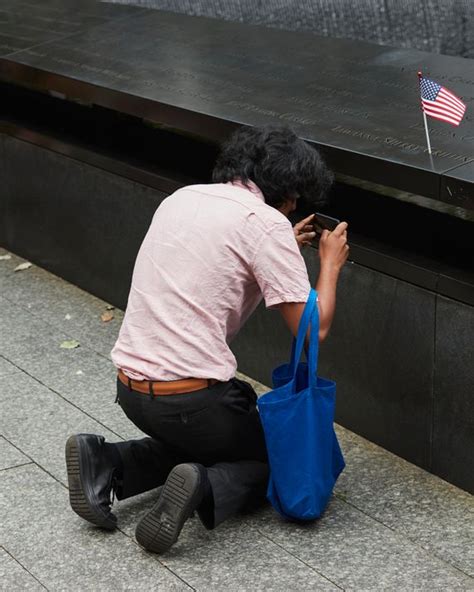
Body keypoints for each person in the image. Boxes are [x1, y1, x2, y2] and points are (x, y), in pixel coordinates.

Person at [65, 125, 349, 554]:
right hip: (193, 404)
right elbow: (314, 329)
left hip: (132, 391)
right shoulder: (265, 223)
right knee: (280, 457)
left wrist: (282, 242)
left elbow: (222, 256)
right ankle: (204, 485)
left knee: (197, 439)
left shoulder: (182, 197)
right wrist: (330, 264)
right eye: (296, 199)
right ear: (288, 193)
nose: (294, 208)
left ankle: (106, 461)